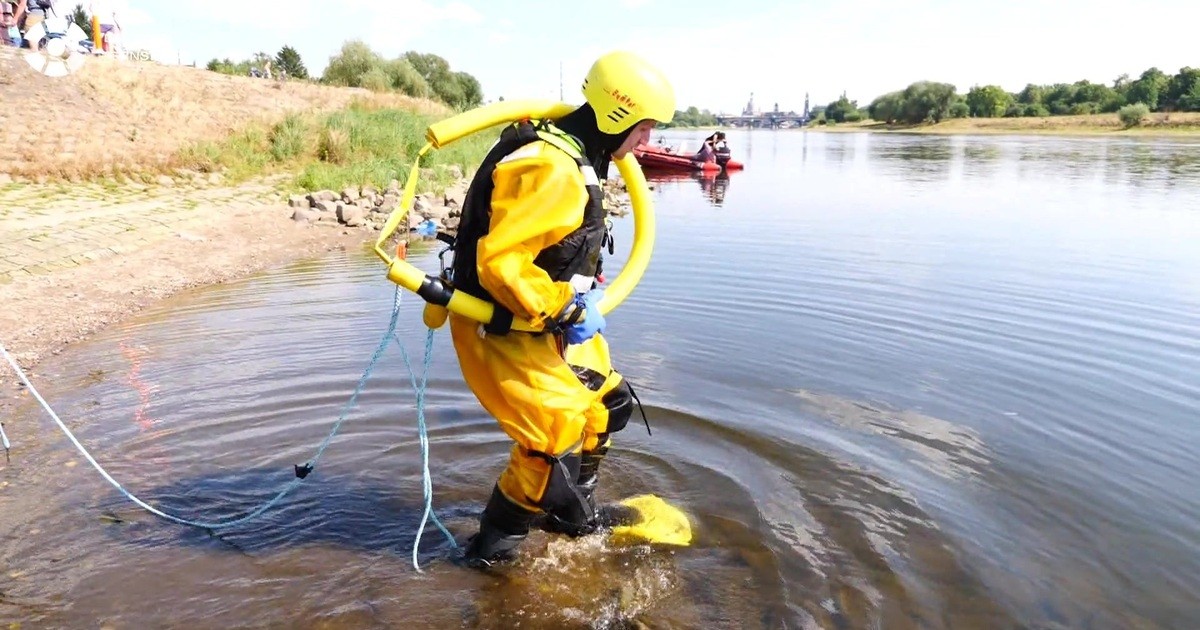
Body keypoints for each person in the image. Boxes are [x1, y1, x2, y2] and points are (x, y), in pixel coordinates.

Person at [447, 50, 675, 568]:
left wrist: (576, 301)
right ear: (618, 115)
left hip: (548, 318)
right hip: (505, 324)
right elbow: (502, 266)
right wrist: (567, 310)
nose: (647, 142)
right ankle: (490, 559)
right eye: (644, 129)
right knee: (549, 444)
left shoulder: (582, 154)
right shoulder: (550, 167)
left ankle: (569, 514)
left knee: (606, 405)